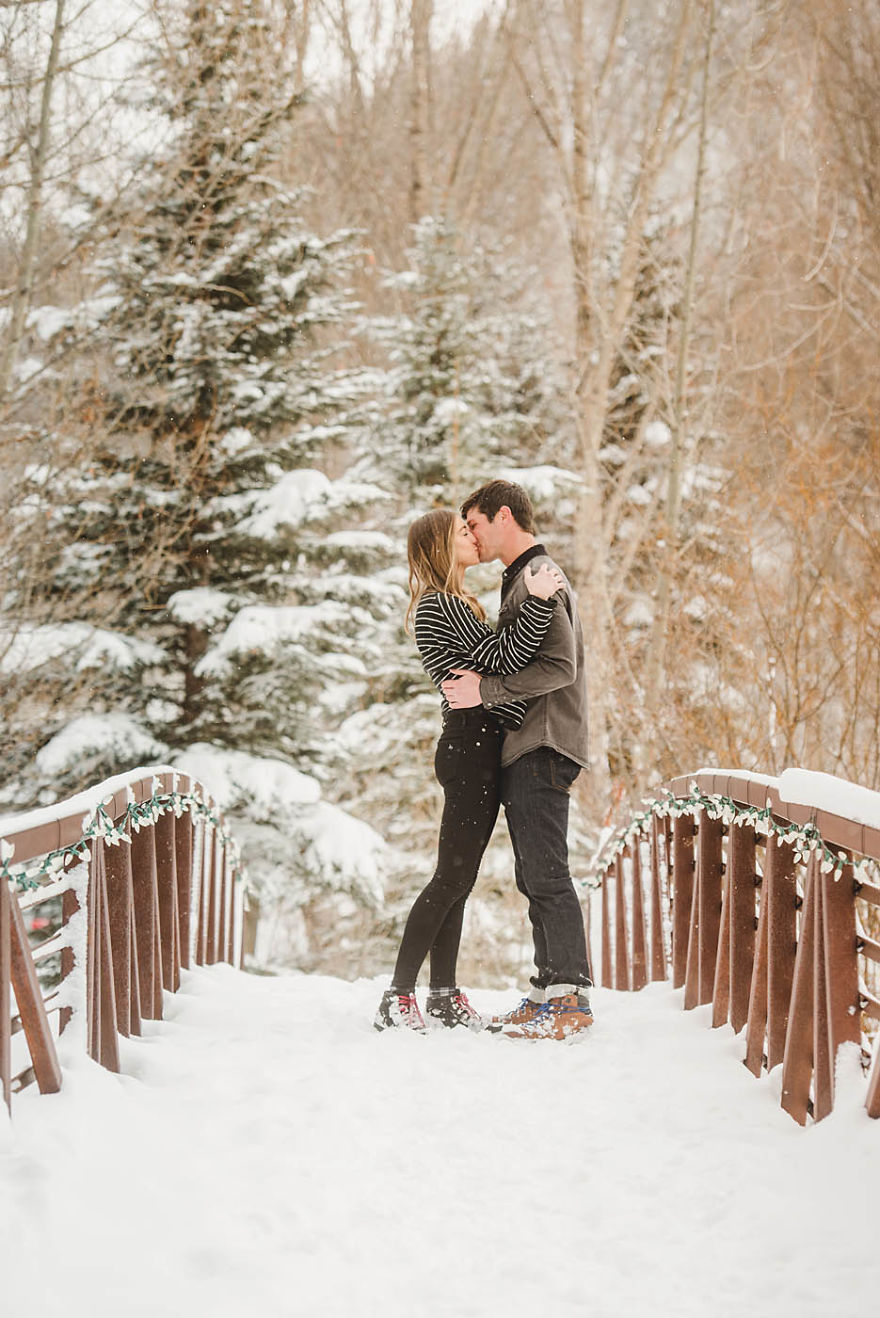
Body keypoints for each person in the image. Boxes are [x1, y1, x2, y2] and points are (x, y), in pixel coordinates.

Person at [374, 507, 564, 1031]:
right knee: (450, 878)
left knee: (458, 880)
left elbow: (494, 661)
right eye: (462, 533)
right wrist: (541, 604)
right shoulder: (439, 605)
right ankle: (397, 996)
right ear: (440, 546)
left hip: (476, 747)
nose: (472, 539)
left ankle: (442, 993)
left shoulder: (455, 602)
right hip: (468, 746)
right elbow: (503, 658)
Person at [441, 479, 593, 1039]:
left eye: (474, 524)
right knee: (532, 871)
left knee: (547, 871)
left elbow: (561, 667)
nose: (472, 538)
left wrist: (486, 693)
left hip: (545, 740)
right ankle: (546, 988)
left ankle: (570, 998)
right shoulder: (520, 579)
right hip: (528, 742)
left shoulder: (538, 576)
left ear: (503, 516)